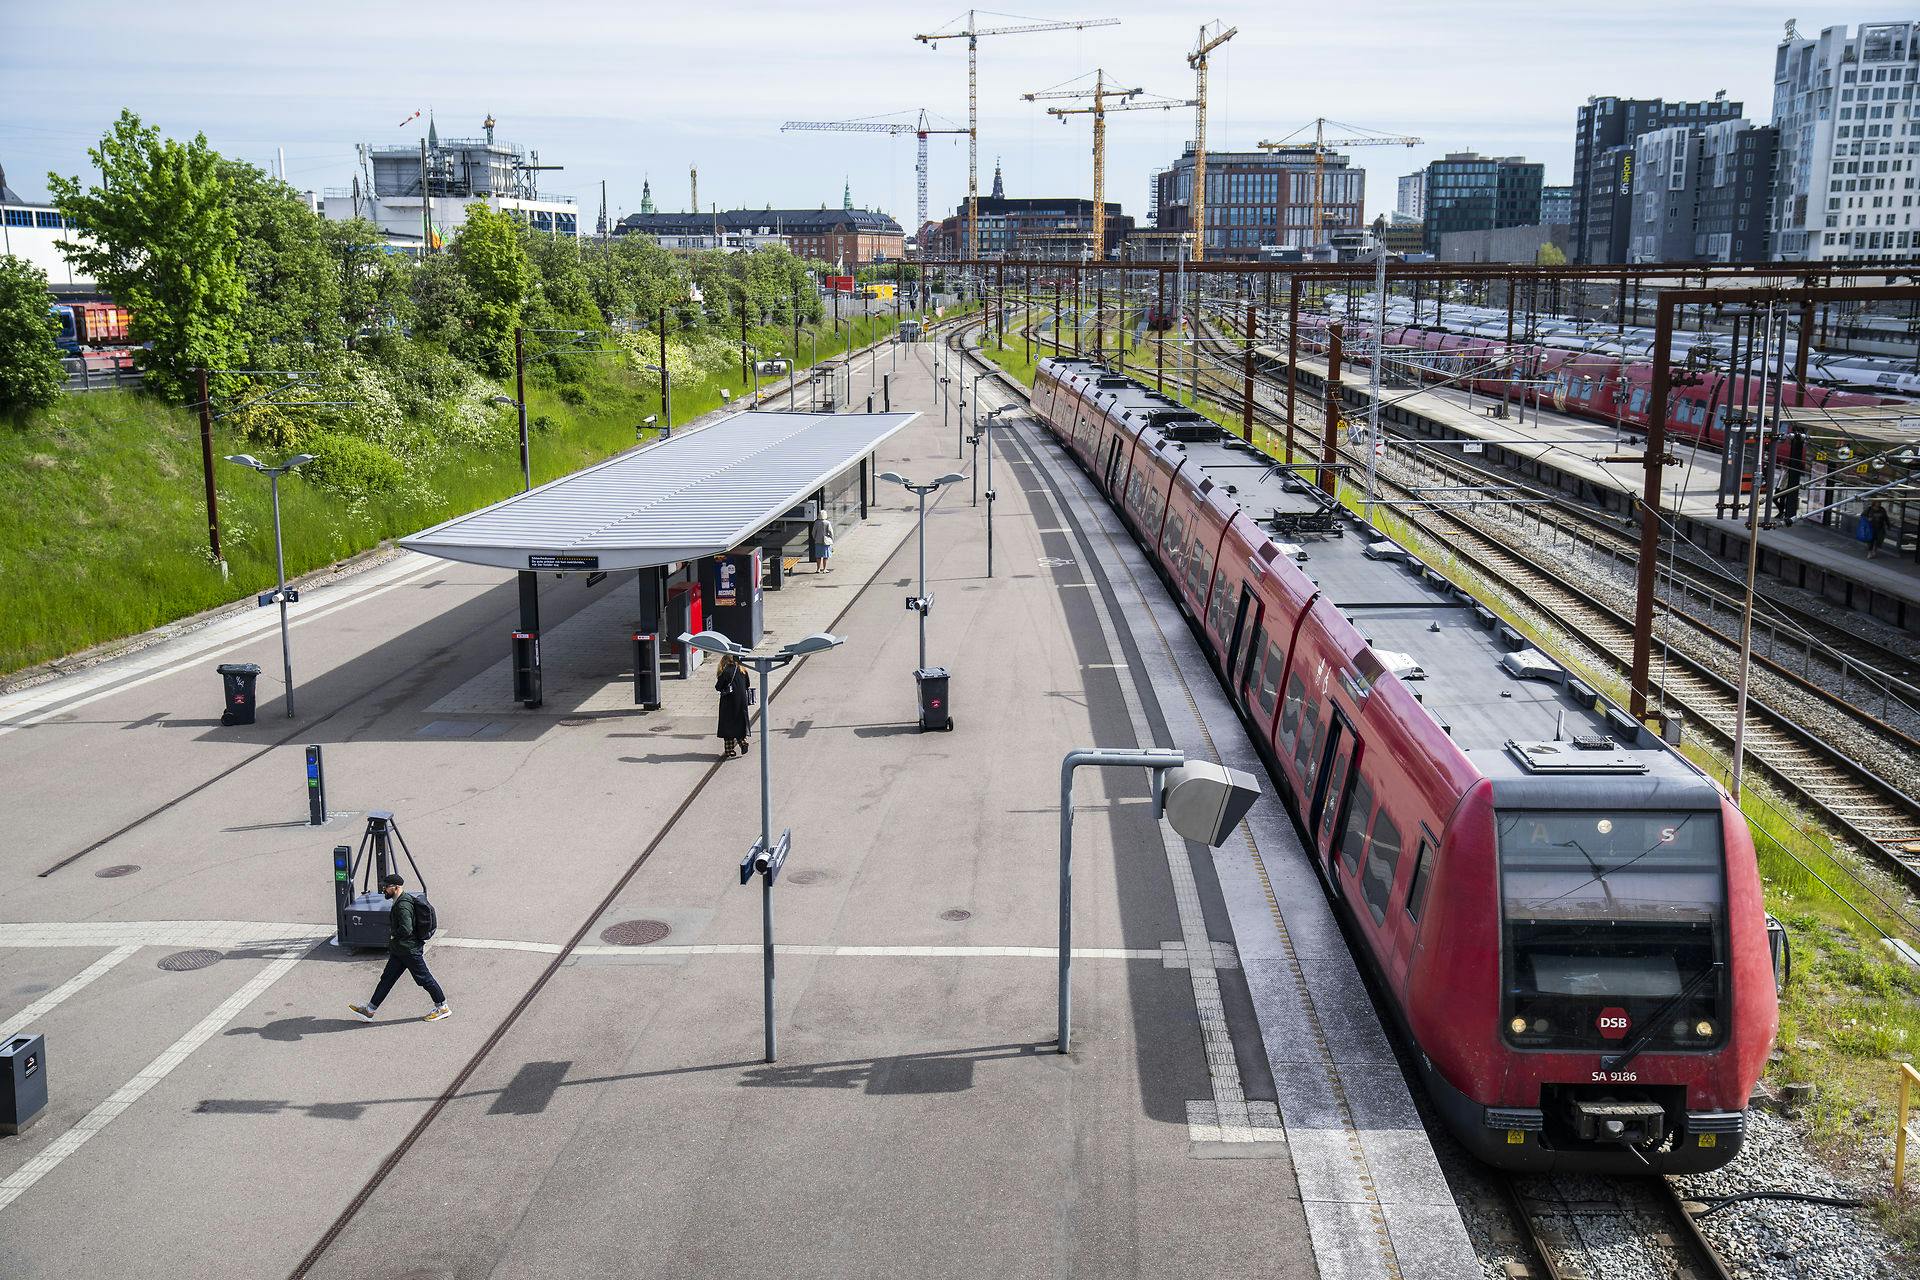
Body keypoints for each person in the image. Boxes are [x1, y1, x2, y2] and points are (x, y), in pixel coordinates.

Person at [348, 874, 449, 1023]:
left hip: (409, 951)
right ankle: (369, 1010)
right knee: (387, 979)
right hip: (400, 951)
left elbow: (406, 929)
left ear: (396, 887)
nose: (384, 889)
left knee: (424, 979)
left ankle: (442, 1007)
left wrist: (393, 934)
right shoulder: (401, 900)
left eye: (386, 887)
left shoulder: (402, 906)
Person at [715, 652, 752, 758]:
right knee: (739, 722)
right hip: (741, 701)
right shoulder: (742, 670)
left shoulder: (725, 671)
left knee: (727, 725)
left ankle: (729, 750)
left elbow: (718, 687)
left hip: (728, 701)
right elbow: (747, 684)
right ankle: (743, 742)